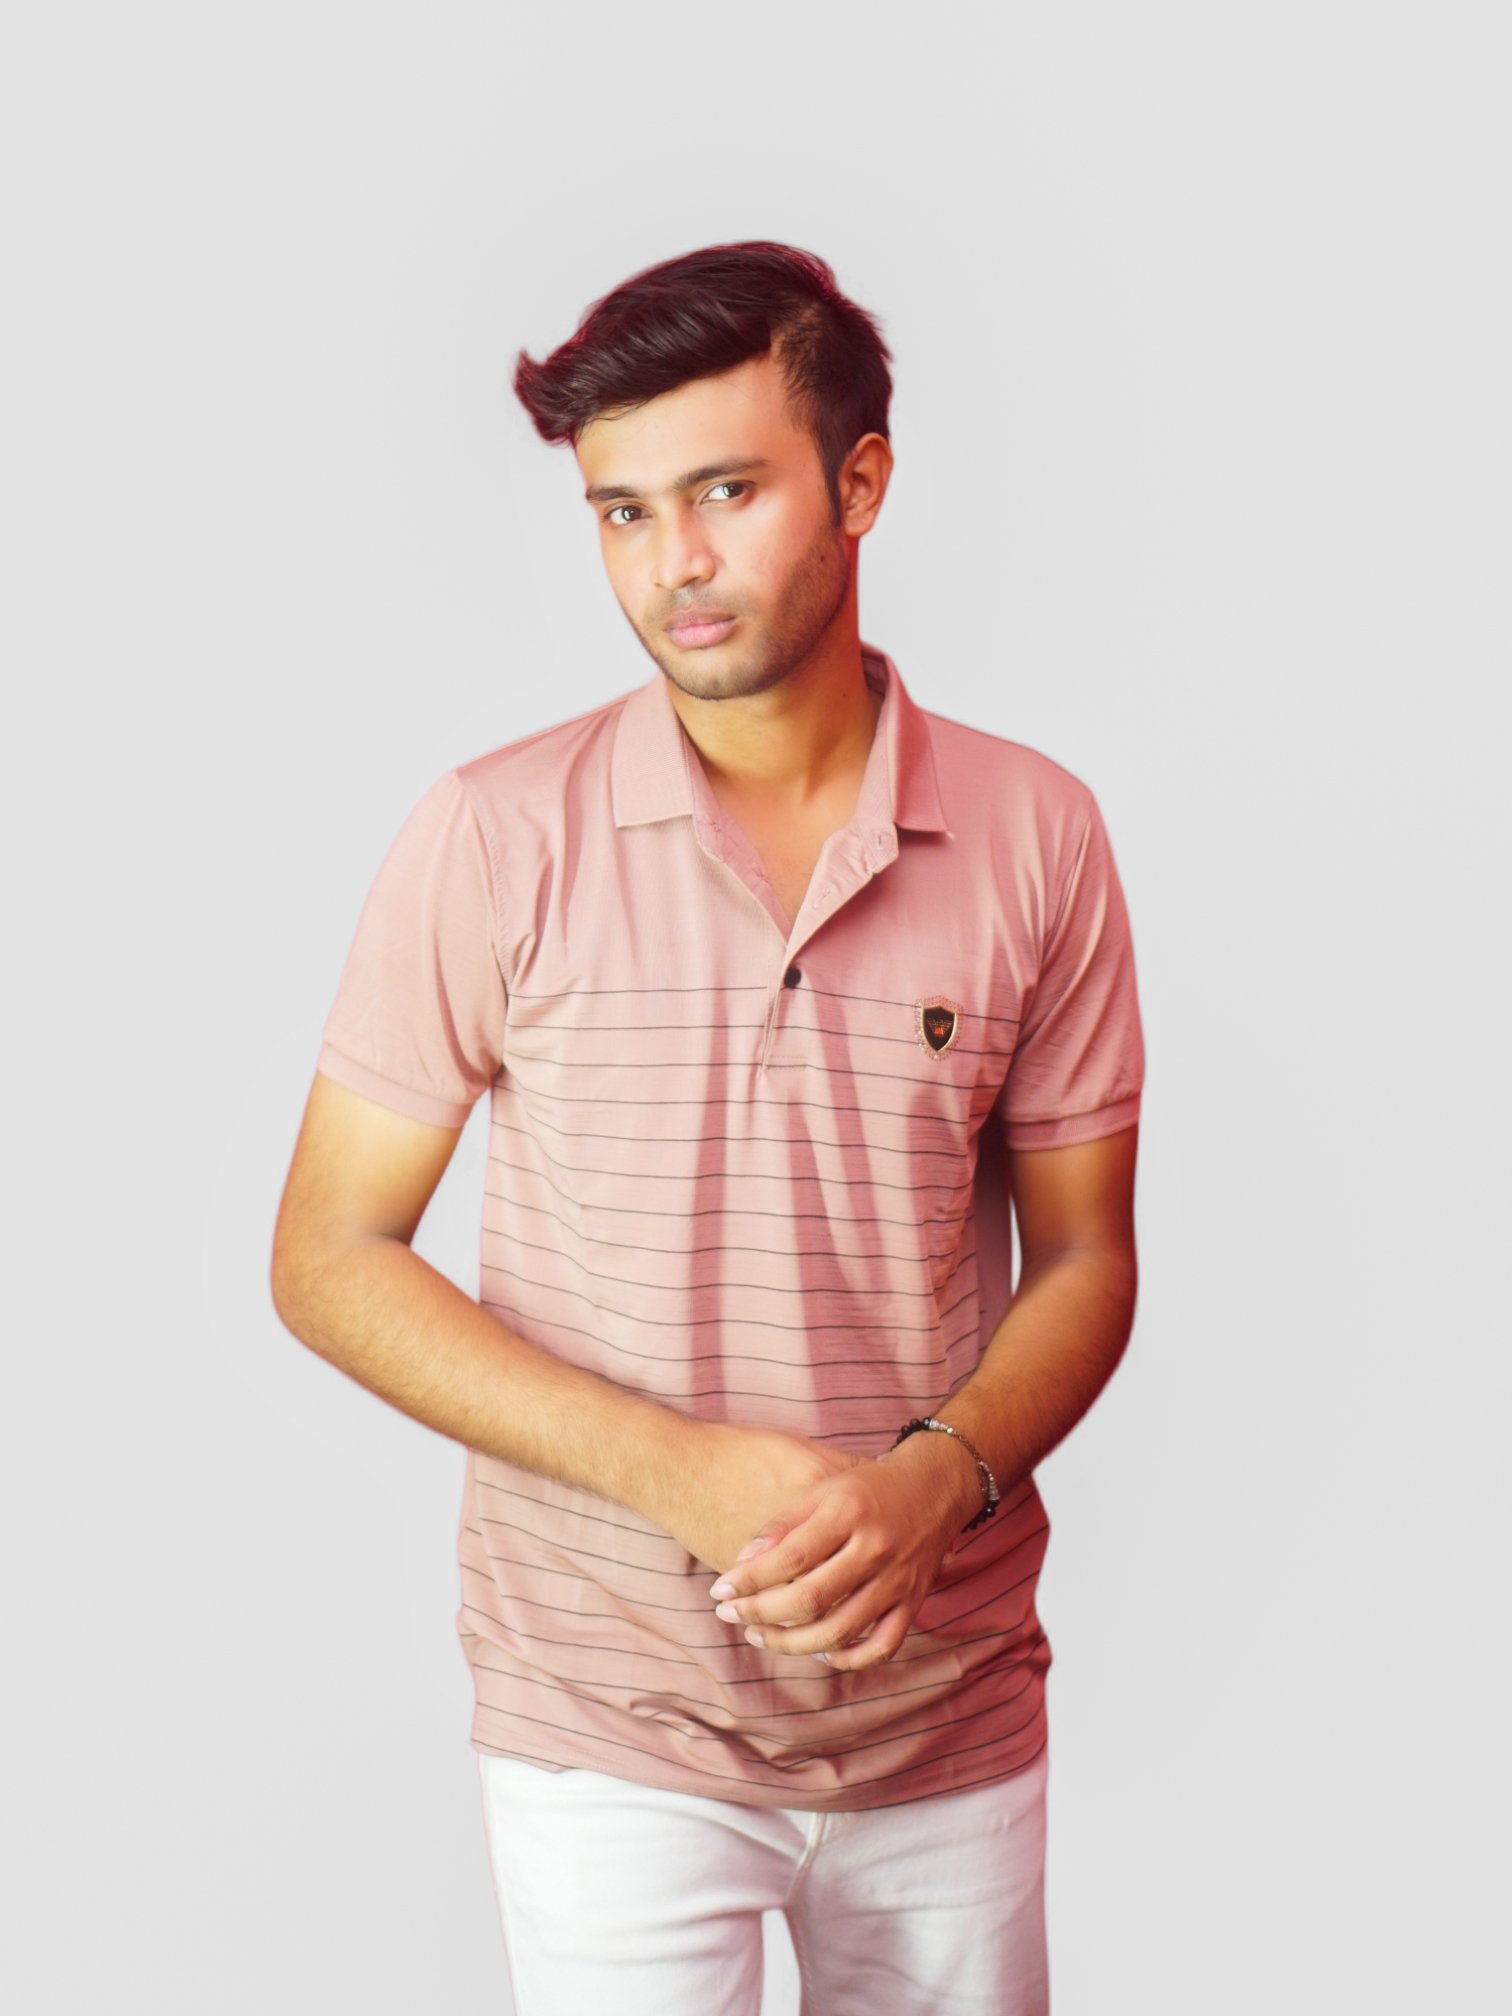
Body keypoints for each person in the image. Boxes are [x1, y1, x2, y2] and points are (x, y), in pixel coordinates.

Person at [270, 240, 1145, 2015]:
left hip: (947, 1706)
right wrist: (669, 1470)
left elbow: (1088, 1259)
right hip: (607, 1706)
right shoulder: (497, 834)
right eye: (622, 512)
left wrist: (935, 1485)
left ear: (861, 482)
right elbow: (327, 1255)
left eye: (726, 492)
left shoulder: (1040, 834)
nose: (671, 562)